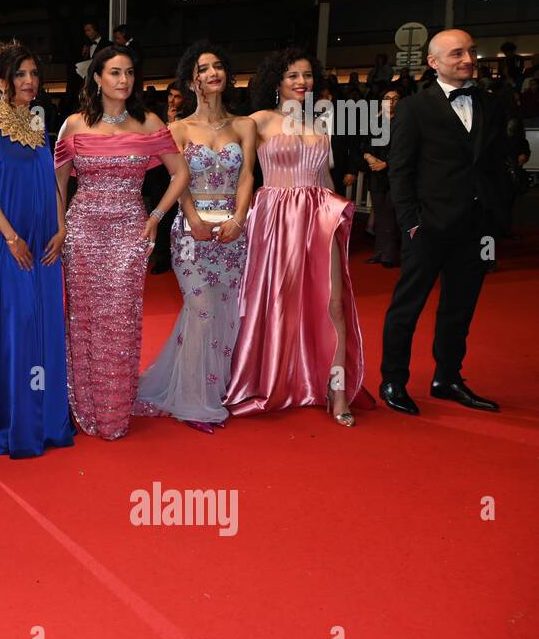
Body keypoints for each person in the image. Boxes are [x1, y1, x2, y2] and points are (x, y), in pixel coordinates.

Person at [225, 47, 372, 426]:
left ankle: (336, 391)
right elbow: (239, 175)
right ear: (277, 81)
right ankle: (273, 378)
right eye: (293, 75)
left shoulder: (319, 124)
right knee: (276, 303)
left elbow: (324, 178)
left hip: (320, 217)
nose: (302, 82)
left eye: (307, 75)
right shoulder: (256, 121)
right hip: (275, 219)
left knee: (334, 302)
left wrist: (338, 216)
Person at [55, 45, 187, 439]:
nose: (123, 80)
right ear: (96, 78)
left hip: (130, 230)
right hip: (82, 230)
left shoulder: (148, 124)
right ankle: (84, 403)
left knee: (120, 321)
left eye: (129, 72)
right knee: (83, 321)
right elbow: (58, 181)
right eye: (114, 73)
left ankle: (114, 409)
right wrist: (61, 227)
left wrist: (155, 217)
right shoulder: (74, 125)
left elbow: (180, 175)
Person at [379, 29, 512, 416]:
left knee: (460, 307)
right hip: (428, 225)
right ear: (433, 62)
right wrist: (411, 223)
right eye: (457, 54)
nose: (468, 59)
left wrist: (496, 213)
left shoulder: (491, 103)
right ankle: (393, 380)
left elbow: (493, 163)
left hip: (475, 226)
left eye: (471, 52)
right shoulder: (414, 108)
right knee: (408, 306)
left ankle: (448, 378)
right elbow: (400, 170)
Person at [0, 42, 74, 457]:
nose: (29, 82)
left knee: (41, 325)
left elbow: (52, 183)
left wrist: (61, 227)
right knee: (18, 323)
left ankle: (41, 419)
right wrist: (10, 236)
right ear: (3, 81)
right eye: (20, 75)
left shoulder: (38, 126)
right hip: (8, 244)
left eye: (33, 75)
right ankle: (8, 419)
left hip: (44, 243)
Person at [136, 42, 256, 432]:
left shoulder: (245, 125)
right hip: (191, 234)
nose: (212, 73)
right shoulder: (179, 128)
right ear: (192, 80)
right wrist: (193, 218)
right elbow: (177, 179)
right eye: (203, 69)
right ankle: (193, 401)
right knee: (202, 310)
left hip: (233, 232)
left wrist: (240, 217)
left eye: (218, 66)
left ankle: (212, 389)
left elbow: (248, 176)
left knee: (224, 314)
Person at [361, 88, 401, 268]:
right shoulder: (375, 122)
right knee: (380, 215)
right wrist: (369, 157)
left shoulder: (404, 123)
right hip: (376, 175)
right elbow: (363, 144)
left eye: (395, 99)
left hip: (396, 175)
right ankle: (380, 252)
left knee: (392, 215)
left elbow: (406, 151)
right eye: (387, 98)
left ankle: (390, 255)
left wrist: (386, 164)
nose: (391, 102)